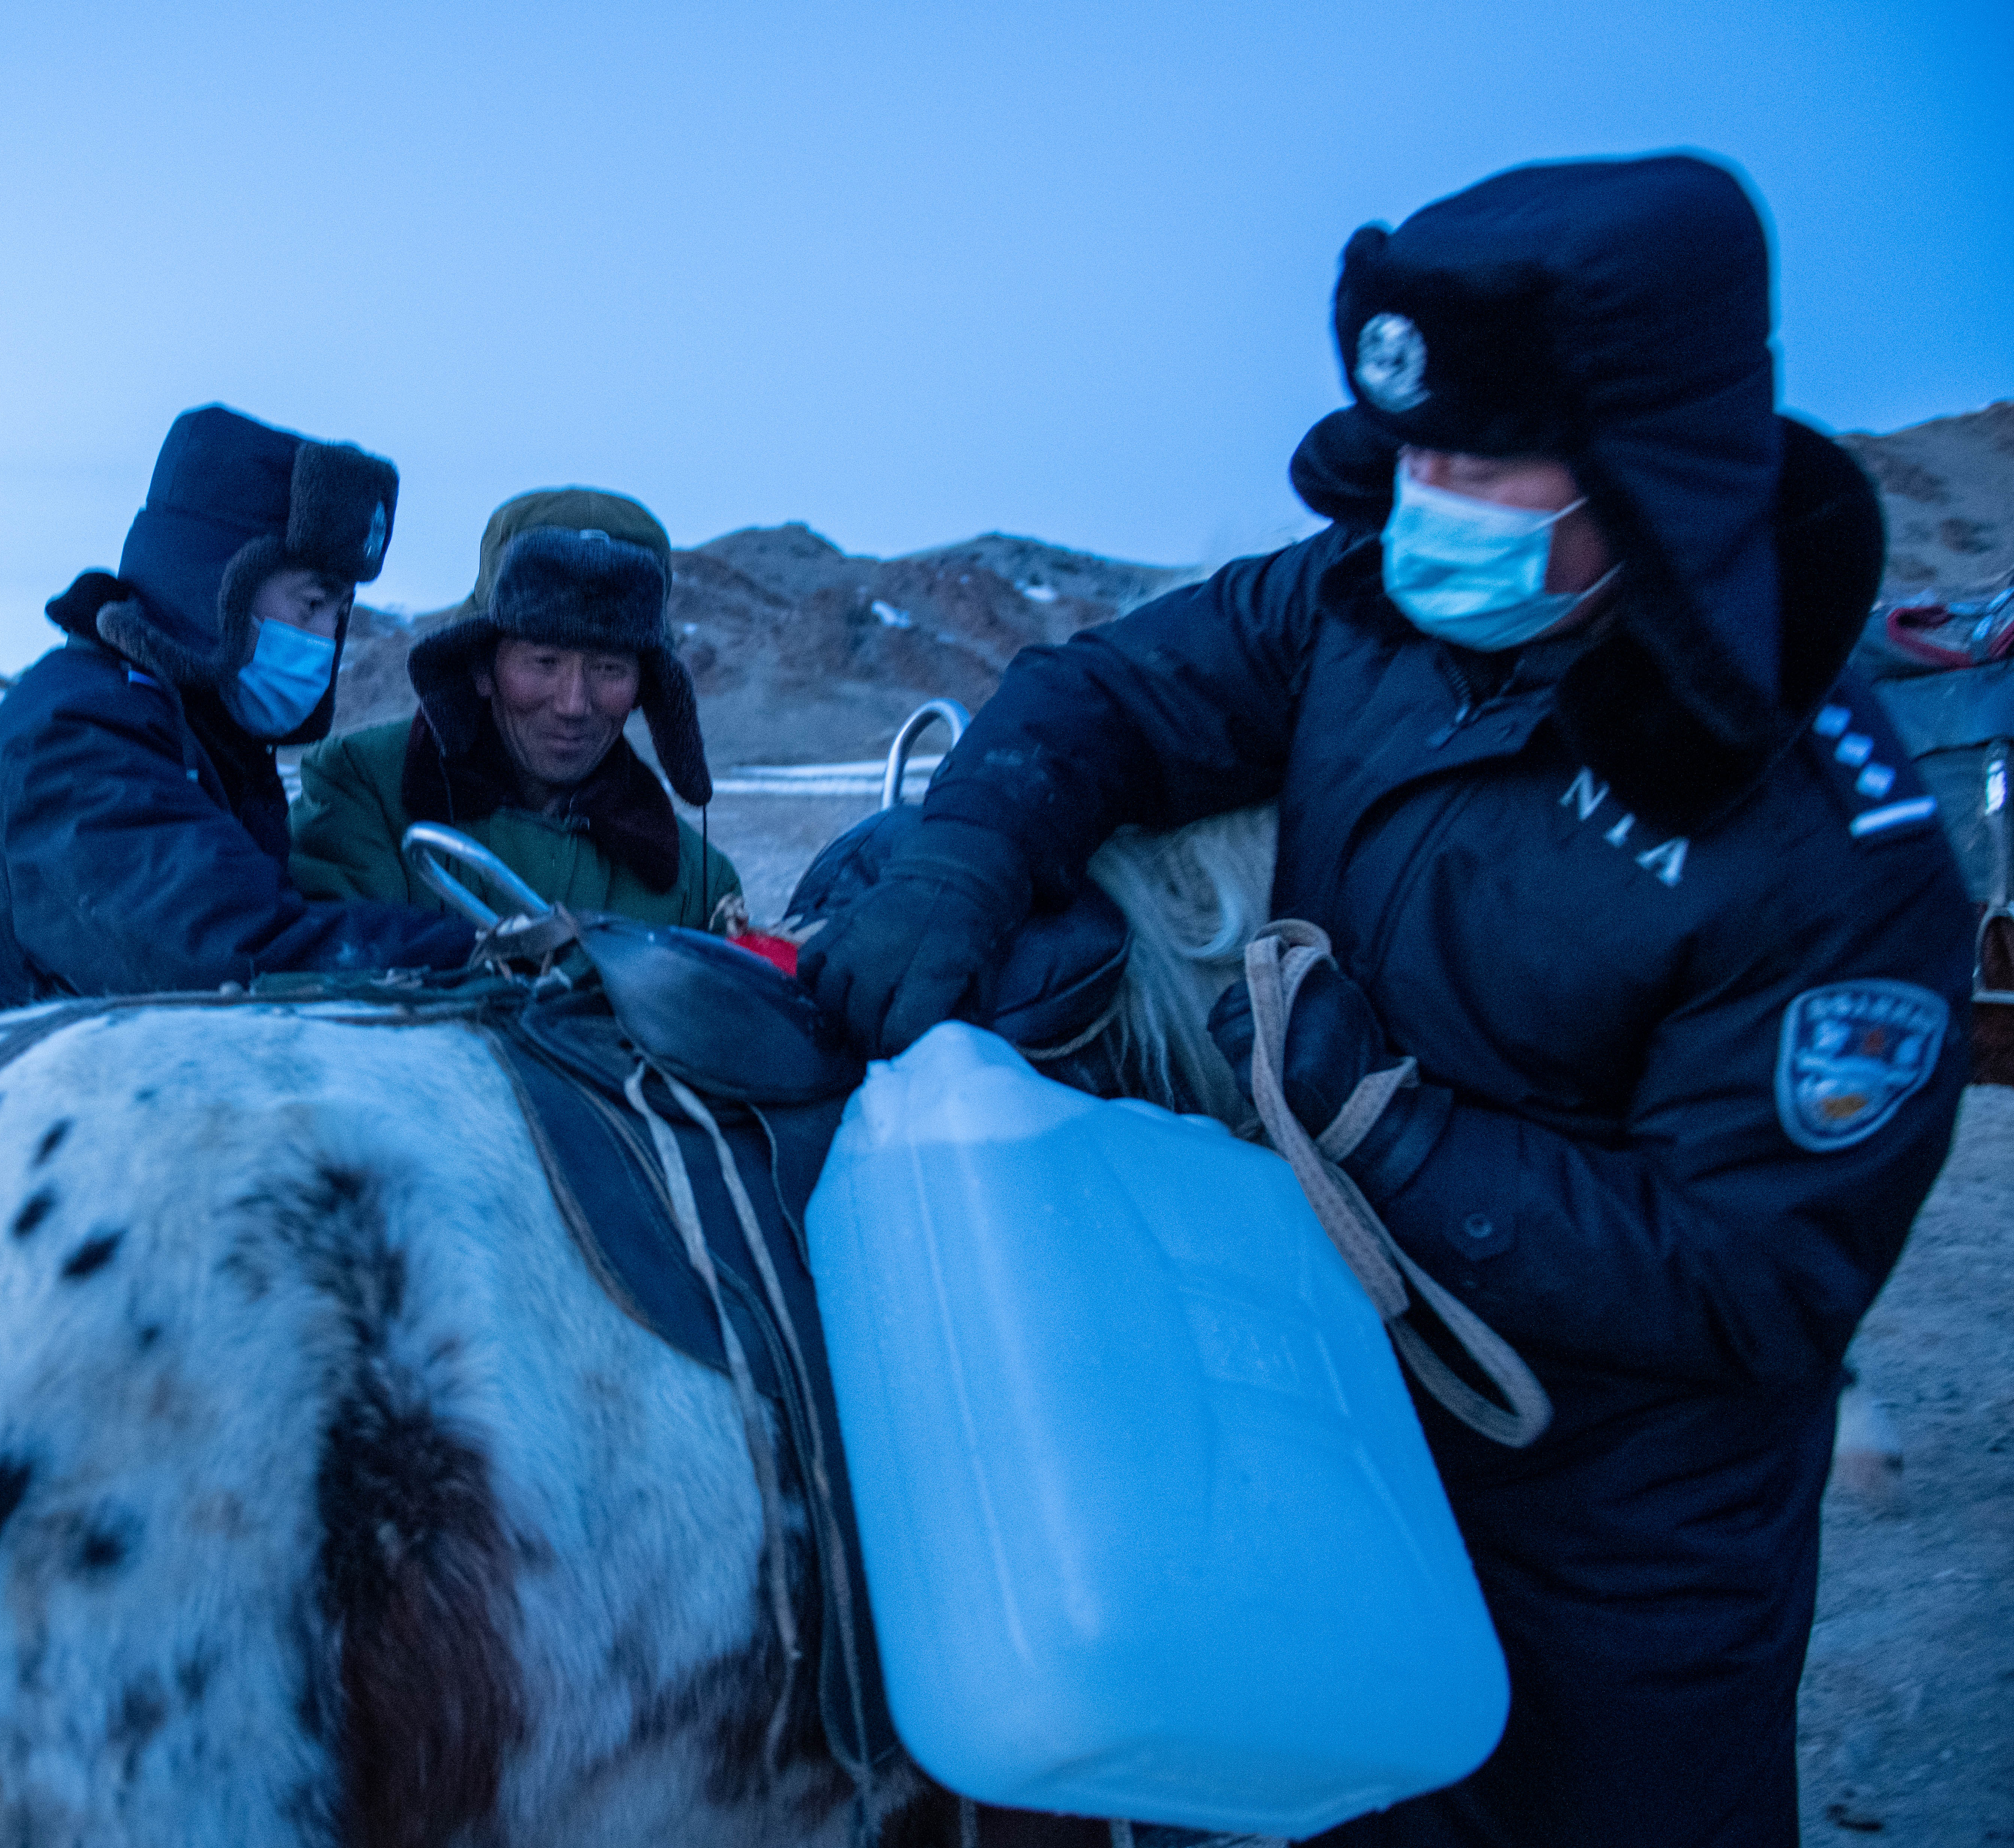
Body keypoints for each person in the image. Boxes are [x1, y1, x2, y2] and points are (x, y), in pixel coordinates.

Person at [801, 155, 1970, 1847]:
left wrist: (1371, 1122)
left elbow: (1744, 1277)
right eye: (1410, 452)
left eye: (1478, 462)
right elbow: (1115, 689)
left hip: (1608, 1555)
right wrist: (955, 861)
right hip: (1329, 1424)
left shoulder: (1824, 849)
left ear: (1646, 473)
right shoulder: (1366, 607)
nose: (1425, 498)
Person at [0, 404, 474, 1053]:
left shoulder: (183, 727)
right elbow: (224, 952)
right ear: (212, 583)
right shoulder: (76, 732)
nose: (328, 637)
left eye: (340, 610)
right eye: (311, 603)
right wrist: (487, 953)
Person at [290, 488, 744, 930]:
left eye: (609, 668)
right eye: (544, 662)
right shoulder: (362, 790)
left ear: (645, 687)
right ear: (482, 666)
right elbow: (319, 972)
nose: (574, 704)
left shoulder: (700, 888)